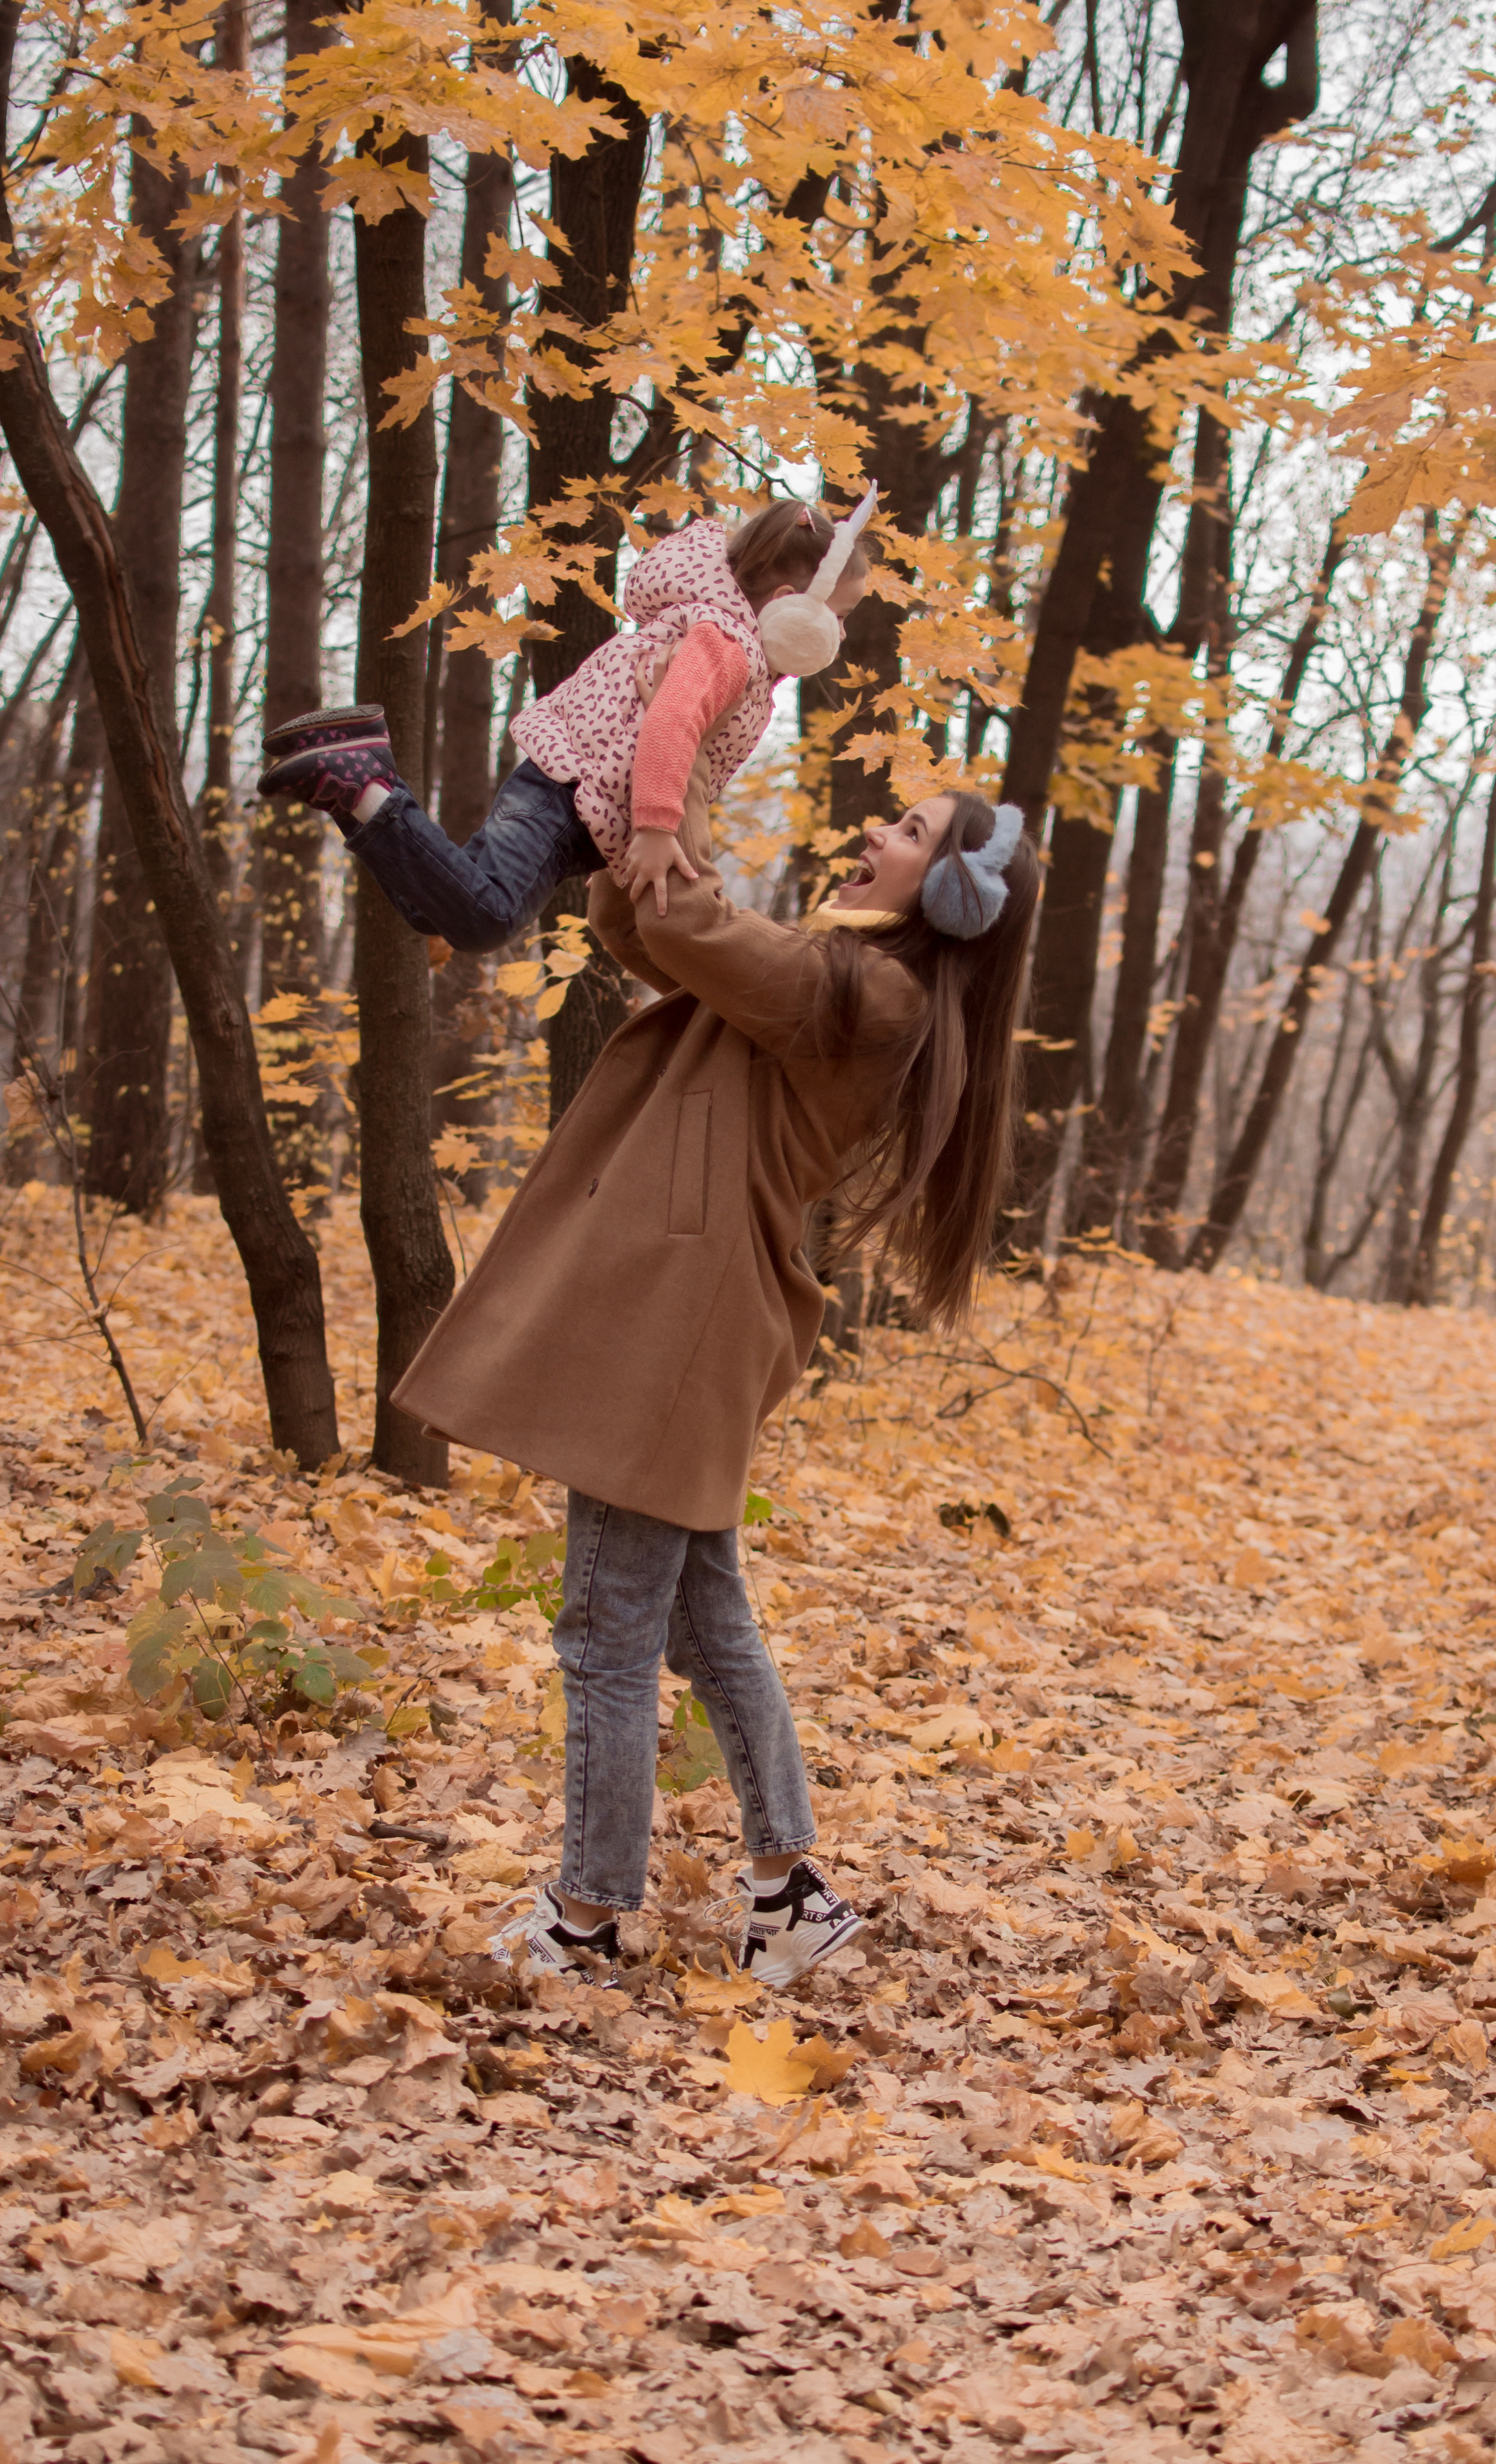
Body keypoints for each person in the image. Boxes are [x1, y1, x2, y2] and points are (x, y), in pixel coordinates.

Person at [386, 740, 1041, 1989]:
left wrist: (664, 777)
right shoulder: (841, 976)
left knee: (605, 1625)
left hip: (676, 1326)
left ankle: (584, 1922)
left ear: (955, 893)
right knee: (703, 1617)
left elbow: (689, 925)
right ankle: (790, 1895)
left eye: (908, 831)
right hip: (692, 1318)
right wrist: (633, 827)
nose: (875, 834)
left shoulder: (869, 994)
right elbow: (655, 935)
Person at [253, 492, 878, 952]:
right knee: (488, 918)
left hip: (571, 789)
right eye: (841, 617)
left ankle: (351, 784)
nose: (842, 635)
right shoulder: (727, 646)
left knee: (436, 907)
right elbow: (670, 724)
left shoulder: (718, 631)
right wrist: (656, 828)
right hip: (571, 793)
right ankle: (363, 778)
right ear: (788, 606)